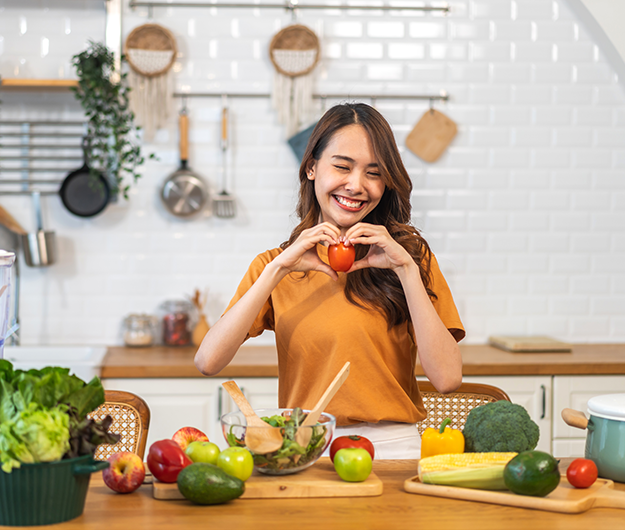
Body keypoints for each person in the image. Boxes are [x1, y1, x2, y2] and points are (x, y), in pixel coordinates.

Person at [195, 102, 465, 459]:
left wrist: (406, 270)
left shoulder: (411, 260)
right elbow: (208, 361)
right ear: (311, 168)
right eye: (342, 166)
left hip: (394, 448)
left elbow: (447, 379)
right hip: (305, 445)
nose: (356, 185)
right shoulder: (275, 266)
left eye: (374, 172)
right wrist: (277, 270)